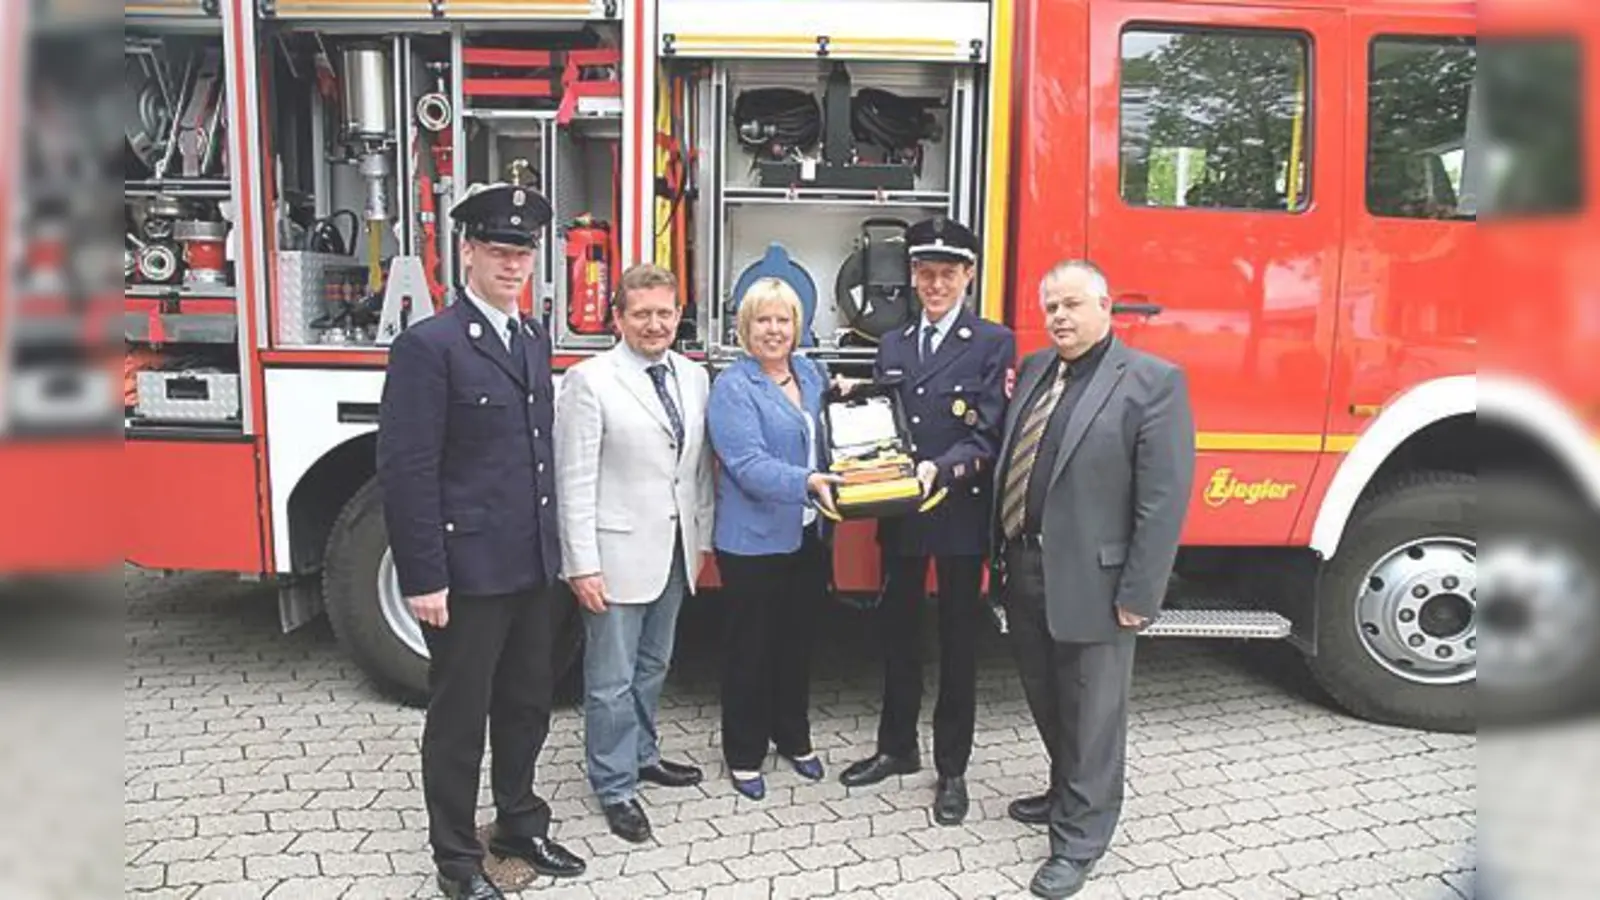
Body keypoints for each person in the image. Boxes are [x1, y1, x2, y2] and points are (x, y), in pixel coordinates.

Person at [376, 183, 586, 900]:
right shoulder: (428, 346)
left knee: (529, 702)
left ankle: (521, 823)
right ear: (466, 251)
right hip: (467, 572)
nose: (512, 264)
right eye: (498, 251)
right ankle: (458, 862)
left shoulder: (531, 336)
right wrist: (423, 577)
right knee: (460, 719)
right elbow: (406, 470)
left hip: (529, 564)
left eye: (522, 251)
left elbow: (533, 457)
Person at [994, 260, 1195, 899]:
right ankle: (1065, 791)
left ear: (1106, 306)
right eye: (1051, 305)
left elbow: (1162, 501)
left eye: (1073, 304)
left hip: (1098, 582)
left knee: (1093, 716)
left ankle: (1080, 841)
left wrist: (1141, 593)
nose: (1059, 316)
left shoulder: (1152, 382)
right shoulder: (1033, 371)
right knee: (1049, 698)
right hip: (1025, 566)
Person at [838, 216, 1016, 828]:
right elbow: (887, 424)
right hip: (903, 514)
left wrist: (945, 468)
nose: (934, 284)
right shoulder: (891, 343)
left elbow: (990, 433)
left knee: (959, 645)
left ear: (968, 275)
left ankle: (953, 769)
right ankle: (896, 747)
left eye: (947, 272)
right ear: (912, 276)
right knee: (898, 634)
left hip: (961, 514)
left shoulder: (993, 342)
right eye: (924, 272)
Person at [553, 263, 714, 844]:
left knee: (653, 666)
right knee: (610, 679)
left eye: (664, 313)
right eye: (641, 313)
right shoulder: (589, 380)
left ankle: (643, 753)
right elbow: (573, 479)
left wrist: (702, 539)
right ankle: (614, 784)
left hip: (672, 549)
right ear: (617, 317)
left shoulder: (694, 378)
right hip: (615, 553)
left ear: (678, 316)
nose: (654, 324)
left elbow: (695, 470)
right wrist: (582, 563)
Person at [706, 277, 840, 800]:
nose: (774, 330)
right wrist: (807, 484)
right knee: (750, 652)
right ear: (746, 326)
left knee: (796, 645)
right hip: (752, 543)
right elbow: (746, 465)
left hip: (807, 536)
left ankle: (794, 738)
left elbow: (831, 428)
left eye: (783, 319)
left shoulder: (811, 372)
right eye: (763, 319)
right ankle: (743, 754)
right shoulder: (733, 387)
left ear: (797, 326)